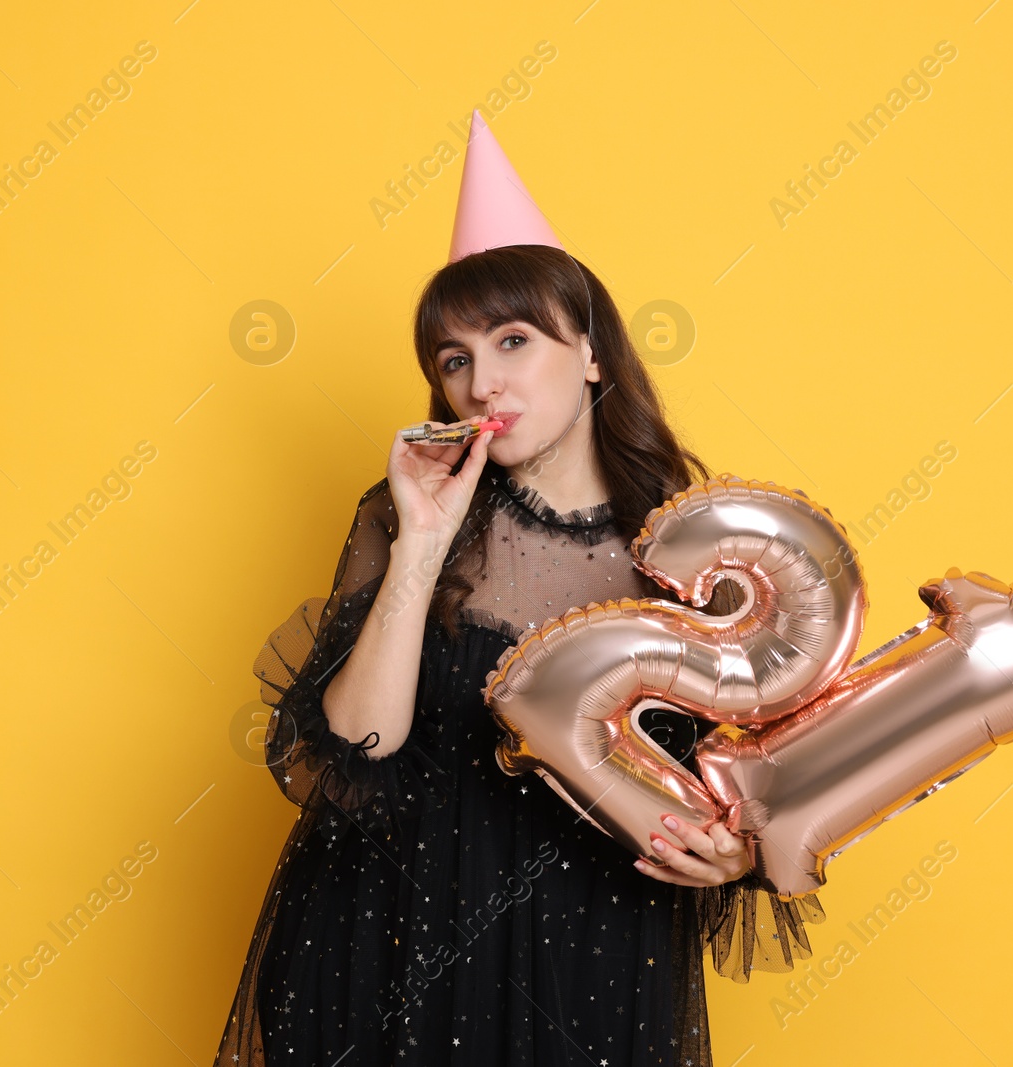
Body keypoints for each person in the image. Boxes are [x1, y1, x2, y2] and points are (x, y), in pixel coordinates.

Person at [212, 244, 826, 1067]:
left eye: (513, 341)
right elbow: (357, 749)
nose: (481, 384)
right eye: (455, 359)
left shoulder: (703, 558)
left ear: (594, 353)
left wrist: (733, 853)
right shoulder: (406, 521)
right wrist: (424, 545)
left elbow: (747, 779)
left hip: (594, 955)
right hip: (388, 937)